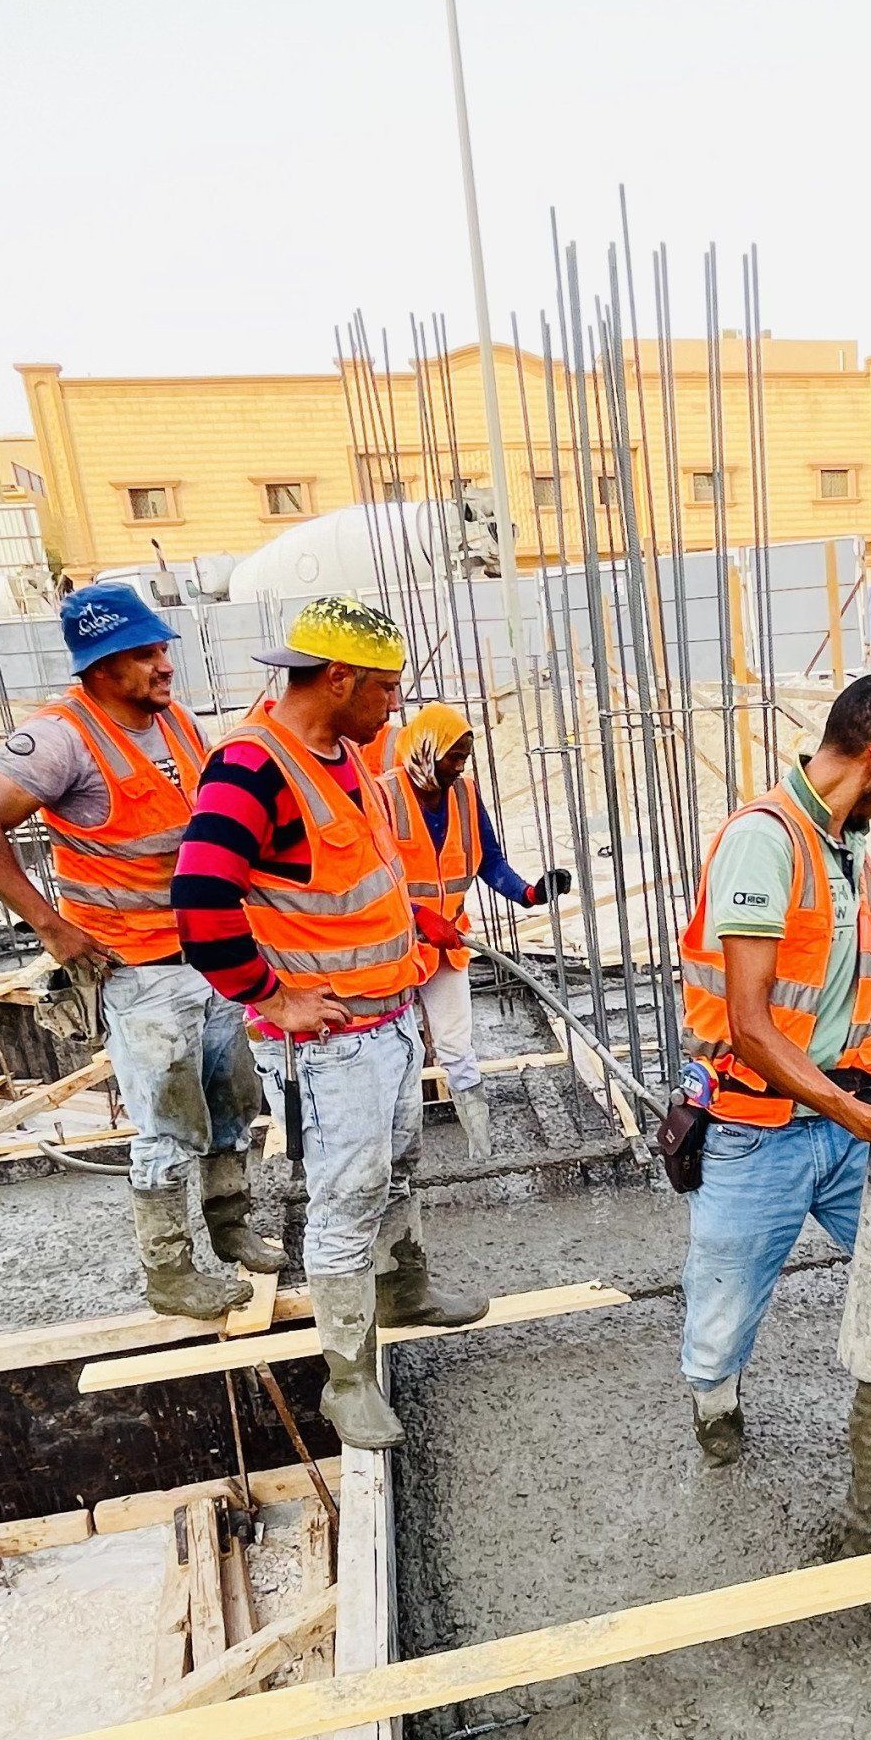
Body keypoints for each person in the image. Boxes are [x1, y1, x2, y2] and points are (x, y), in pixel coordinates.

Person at [171, 596, 490, 1449]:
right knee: (347, 1200)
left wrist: (416, 932)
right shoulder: (252, 766)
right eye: (385, 687)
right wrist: (272, 998)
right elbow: (199, 901)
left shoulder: (347, 755)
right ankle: (347, 1378)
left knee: (398, 1171)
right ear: (339, 678)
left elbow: (353, 878)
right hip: (330, 1044)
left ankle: (403, 1288)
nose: (395, 703)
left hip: (388, 1020)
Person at [677, 670, 871, 1542]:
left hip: (846, 1124)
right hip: (756, 1133)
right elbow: (750, 1026)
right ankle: (718, 1430)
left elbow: (843, 1011)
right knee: (720, 1322)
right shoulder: (764, 841)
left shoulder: (850, 853)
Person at [0, 581, 277, 1320]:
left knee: (230, 1101)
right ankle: (170, 1271)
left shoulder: (178, 723)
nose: (164, 664)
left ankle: (230, 1227)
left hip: (211, 956)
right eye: (144, 653)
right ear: (100, 666)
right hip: (140, 972)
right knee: (168, 1122)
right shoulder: (61, 738)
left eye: (162, 648)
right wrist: (51, 926)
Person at [383, 701, 572, 1156]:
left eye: (465, 757)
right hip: (392, 948)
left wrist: (531, 893)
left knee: (457, 1047)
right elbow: (366, 877)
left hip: (447, 943)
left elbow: (489, 860)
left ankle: (481, 1151)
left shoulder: (465, 794)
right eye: (453, 757)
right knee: (397, 1052)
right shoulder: (383, 796)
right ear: (426, 751)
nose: (460, 767)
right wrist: (415, 915)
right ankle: (398, 1156)